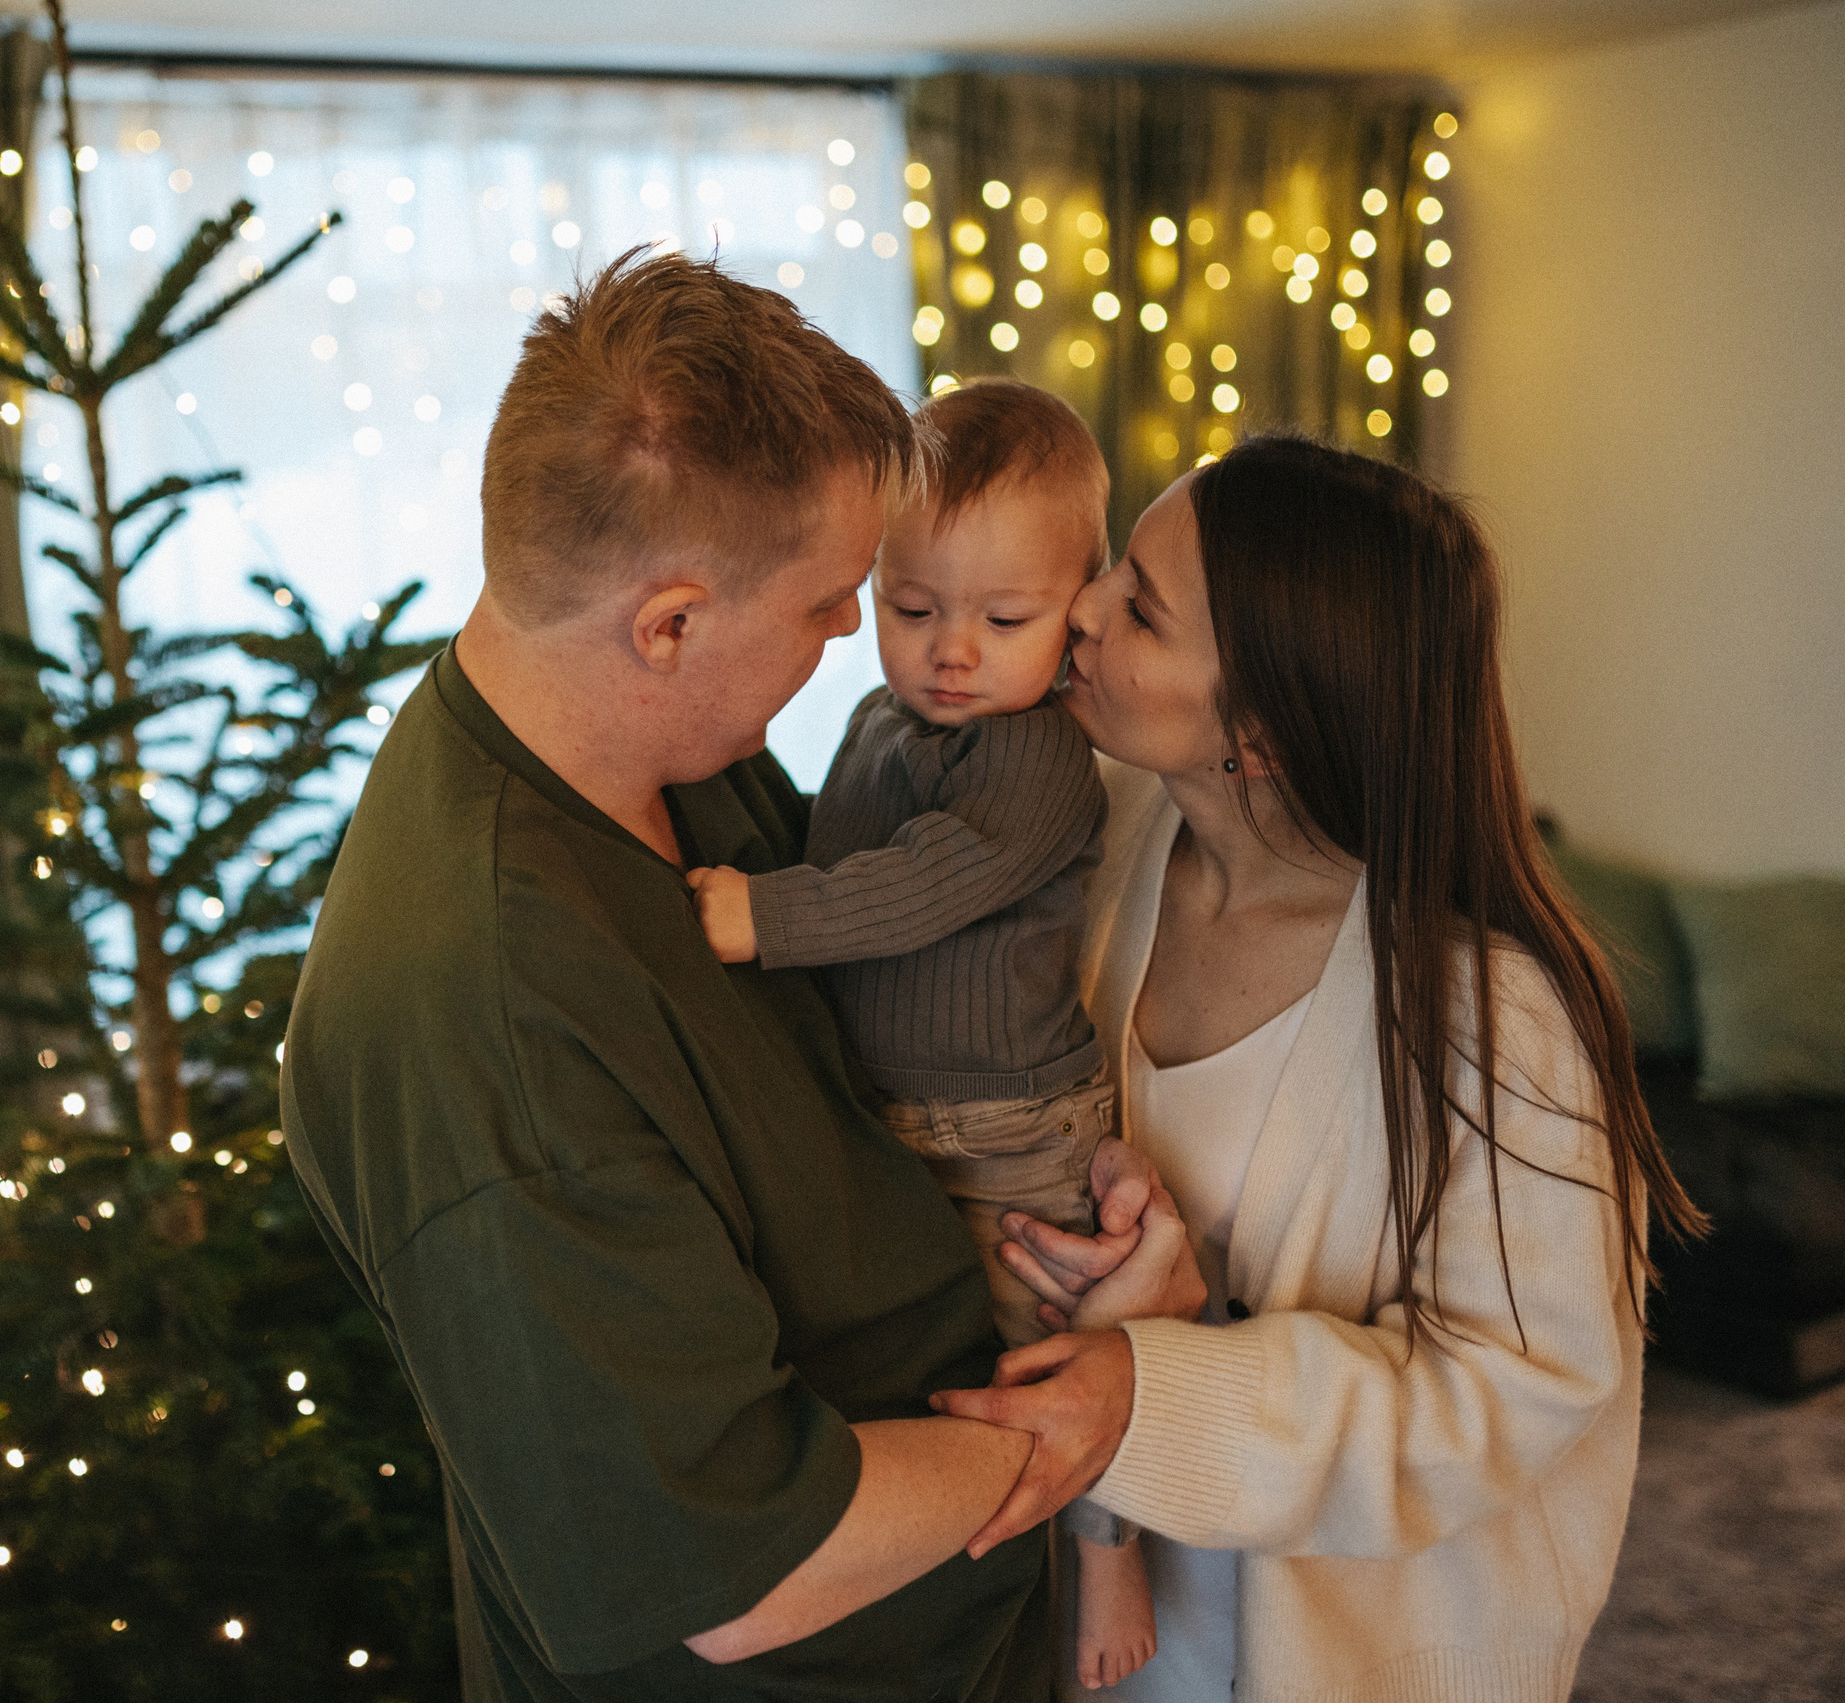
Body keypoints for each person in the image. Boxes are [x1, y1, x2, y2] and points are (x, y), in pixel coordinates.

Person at [280, 250, 1158, 1700]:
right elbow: (746, 1567)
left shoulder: (665, 755)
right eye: (830, 602)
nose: (850, 638)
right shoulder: (490, 1018)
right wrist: (1098, 1409)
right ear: (671, 622)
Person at [931, 435, 1706, 1702]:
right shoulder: (1089, 846)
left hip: (1335, 1653)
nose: (1080, 606)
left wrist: (1155, 1379)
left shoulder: (1491, 1019)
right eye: (1114, 568)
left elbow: (1513, 1388)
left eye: (1140, 607)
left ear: (1264, 727)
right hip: (1086, 1615)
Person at [686, 377, 1157, 1692]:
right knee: (918, 1368)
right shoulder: (877, 723)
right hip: (891, 1115)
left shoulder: (1039, 759)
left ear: (1076, 609)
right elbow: (837, 842)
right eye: (911, 607)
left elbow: (923, 884)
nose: (952, 650)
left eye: (1003, 620)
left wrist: (763, 915)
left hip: (1013, 1132)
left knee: (1046, 1354)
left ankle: (1111, 1543)